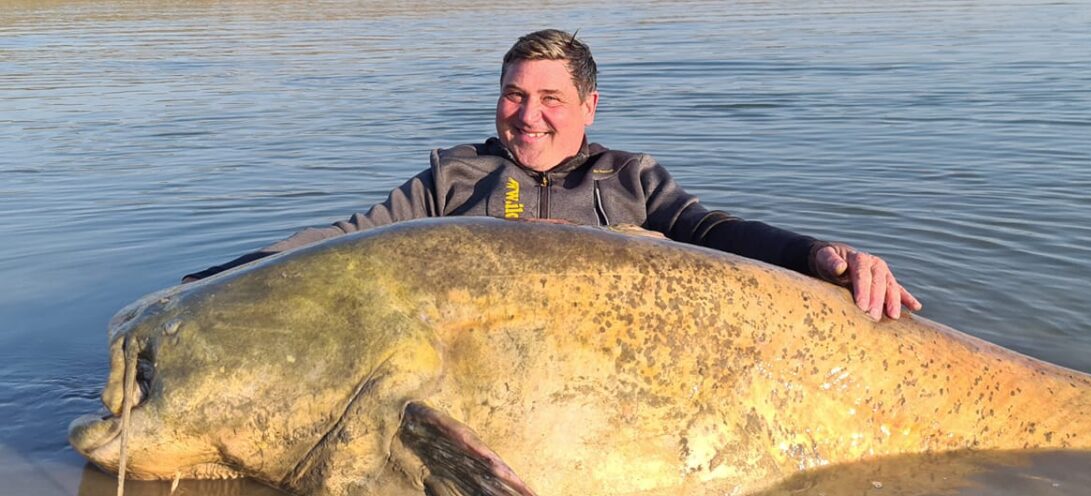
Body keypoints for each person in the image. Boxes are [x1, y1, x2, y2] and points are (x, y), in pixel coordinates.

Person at [184, 29, 921, 321]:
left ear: (588, 107)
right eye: (514, 95)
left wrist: (819, 254)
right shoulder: (451, 179)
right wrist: (207, 287)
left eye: (550, 100)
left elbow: (713, 231)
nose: (528, 117)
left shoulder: (630, 178)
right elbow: (343, 242)